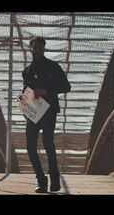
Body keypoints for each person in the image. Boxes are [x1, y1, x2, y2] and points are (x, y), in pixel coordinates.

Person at [17, 36, 71, 193]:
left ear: (44, 49)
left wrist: (46, 91)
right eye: (36, 48)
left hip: (49, 111)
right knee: (30, 147)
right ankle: (41, 180)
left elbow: (66, 87)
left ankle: (54, 180)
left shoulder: (53, 67)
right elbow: (26, 89)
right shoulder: (27, 71)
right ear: (31, 49)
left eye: (41, 48)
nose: (38, 50)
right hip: (33, 112)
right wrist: (22, 97)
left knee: (48, 144)